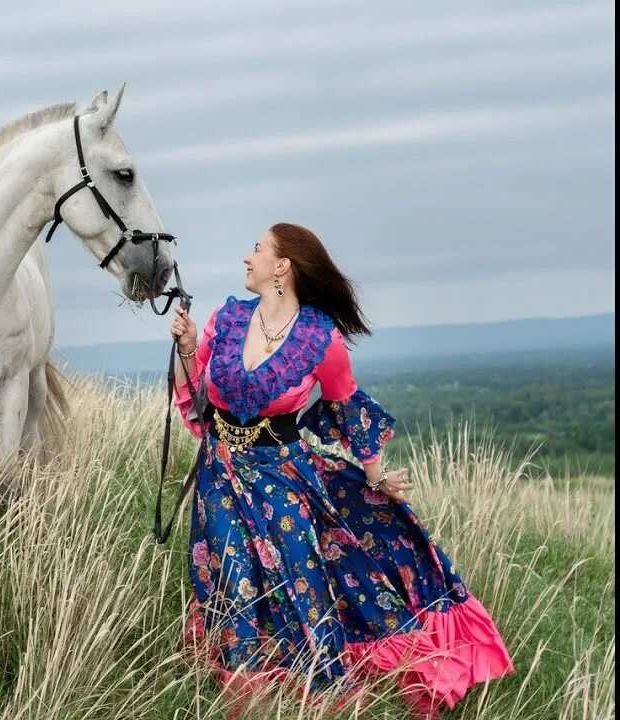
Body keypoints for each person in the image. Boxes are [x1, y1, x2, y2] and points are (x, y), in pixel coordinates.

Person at [168, 223, 514, 719]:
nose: (248, 257)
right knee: (233, 585)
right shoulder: (226, 320)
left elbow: (347, 409)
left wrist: (375, 476)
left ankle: (327, 691)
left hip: (283, 479)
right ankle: (248, 701)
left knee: (303, 585)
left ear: (282, 266)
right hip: (220, 478)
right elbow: (200, 395)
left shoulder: (320, 341)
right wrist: (185, 348)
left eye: (258, 249)